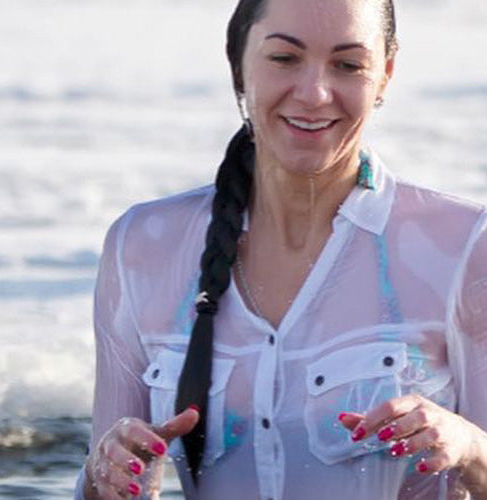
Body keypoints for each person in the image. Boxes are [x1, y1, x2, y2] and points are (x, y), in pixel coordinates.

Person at [74, 0, 487, 498]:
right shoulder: (141, 247)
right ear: (238, 65)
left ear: (385, 75)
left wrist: (469, 446)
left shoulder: (464, 245)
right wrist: (109, 474)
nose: (314, 93)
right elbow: (97, 484)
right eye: (284, 59)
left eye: (348, 65)